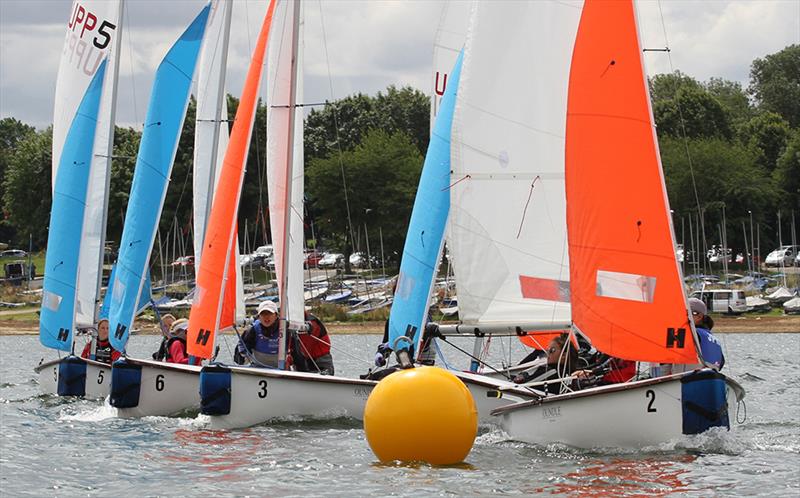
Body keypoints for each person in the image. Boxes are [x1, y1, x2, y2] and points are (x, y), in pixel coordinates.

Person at [511, 333, 579, 393]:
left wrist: (523, 375)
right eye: (547, 350)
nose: (547, 353)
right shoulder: (566, 371)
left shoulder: (553, 372)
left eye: (552, 350)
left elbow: (527, 384)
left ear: (564, 355)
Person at [235, 300, 281, 368]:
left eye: (269, 313)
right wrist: (242, 355)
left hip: (281, 369)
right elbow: (239, 358)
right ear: (259, 316)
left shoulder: (285, 330)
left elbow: (297, 356)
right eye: (263, 313)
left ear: (276, 315)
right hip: (258, 368)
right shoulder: (252, 330)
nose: (266, 317)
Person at [689, 297, 725, 370]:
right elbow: (721, 363)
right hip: (710, 378)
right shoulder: (714, 339)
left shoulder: (693, 334)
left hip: (690, 378)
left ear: (699, 317)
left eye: (686, 313)